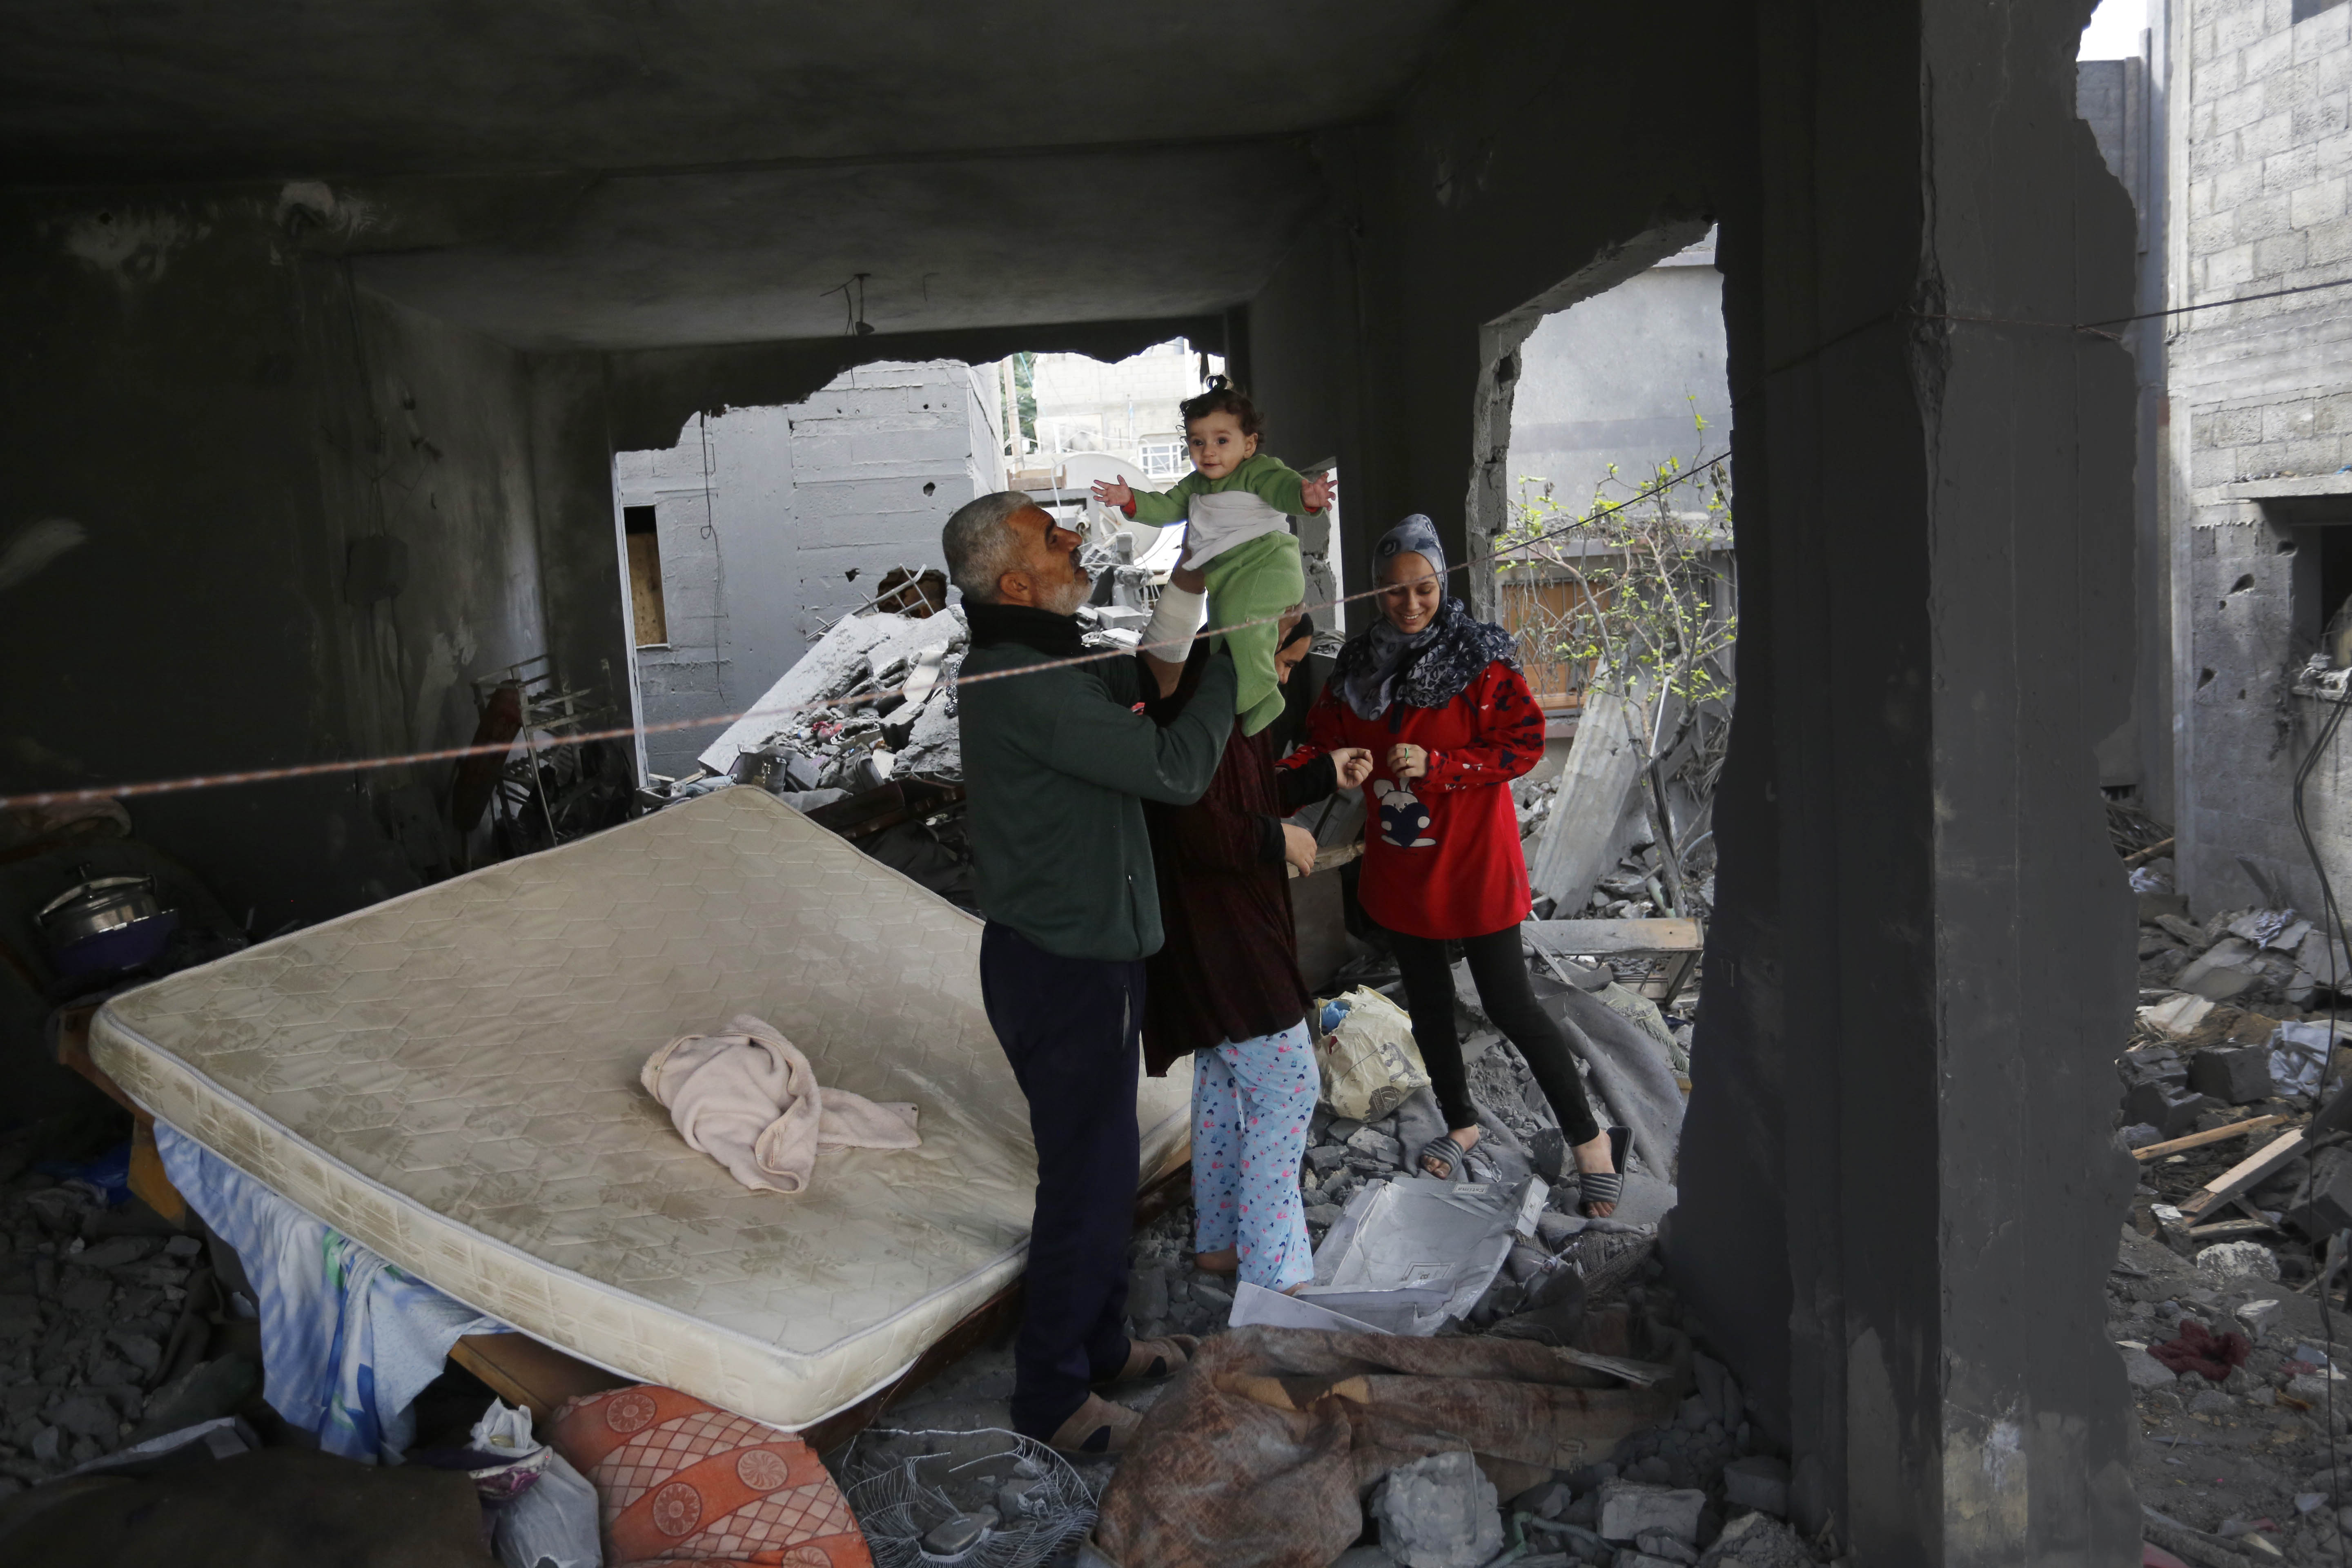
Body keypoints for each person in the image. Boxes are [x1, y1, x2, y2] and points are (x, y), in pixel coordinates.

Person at [944, 490, 1239, 1456]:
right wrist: (1231, 671)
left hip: (1083, 957)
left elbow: (1149, 678)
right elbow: (1173, 767)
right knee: (1084, 1180)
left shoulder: (1044, 653)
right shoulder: (1019, 678)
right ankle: (1051, 1398)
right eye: (1052, 536)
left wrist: (1192, 582)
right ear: (1015, 581)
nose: (1076, 541)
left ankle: (1103, 1344)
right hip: (1062, 969)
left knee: (1103, 1172)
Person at [1284, 514, 1626, 1217]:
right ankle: (1462, 1123)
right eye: (1392, 592)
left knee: (1510, 1003)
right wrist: (1312, 775)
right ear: (1374, 594)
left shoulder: (1482, 660)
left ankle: (1591, 1141)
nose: (1409, 604)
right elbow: (1316, 745)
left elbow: (1525, 744)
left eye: (1423, 589)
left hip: (1475, 862)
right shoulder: (1354, 672)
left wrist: (1443, 765)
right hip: (1401, 865)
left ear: (1442, 580)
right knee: (1430, 1006)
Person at [1136, 610, 1375, 1295]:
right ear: (1246, 645)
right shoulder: (1196, 712)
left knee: (1221, 1085)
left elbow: (1247, 793)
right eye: (1283, 661)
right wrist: (1280, 842)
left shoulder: (1222, 704)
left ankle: (1218, 1242)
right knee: (1289, 1087)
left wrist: (1321, 774)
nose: (1284, 677)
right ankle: (1276, 1270)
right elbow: (1199, 824)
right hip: (1224, 935)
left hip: (1208, 935)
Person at [1091, 376, 1335, 737]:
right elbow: (1167, 505)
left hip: (1266, 566)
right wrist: (1131, 500)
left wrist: (1306, 497)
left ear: (1250, 444)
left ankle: (1262, 695)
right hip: (1227, 576)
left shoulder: (1259, 471)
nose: (1209, 452)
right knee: (1222, 635)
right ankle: (1242, 694)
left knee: (1242, 619)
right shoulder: (1196, 485)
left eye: (1222, 441)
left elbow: (1283, 487)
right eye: (1198, 442)